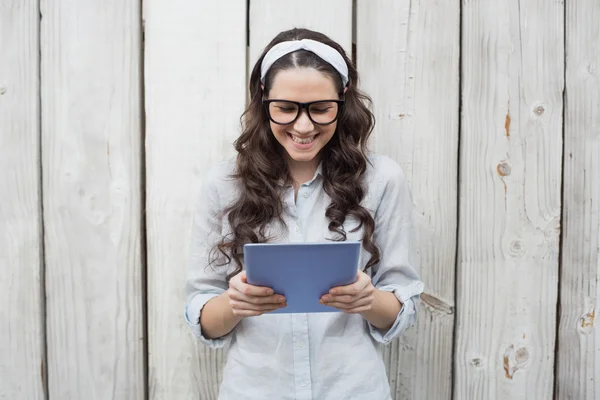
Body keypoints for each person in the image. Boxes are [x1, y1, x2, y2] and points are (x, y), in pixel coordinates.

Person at [184, 27, 424, 400]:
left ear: (344, 103)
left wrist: (368, 300)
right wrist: (235, 304)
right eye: (285, 109)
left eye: (321, 109)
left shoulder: (383, 180)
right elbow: (204, 318)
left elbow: (399, 308)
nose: (303, 126)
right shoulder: (222, 184)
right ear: (263, 102)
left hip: (352, 389)